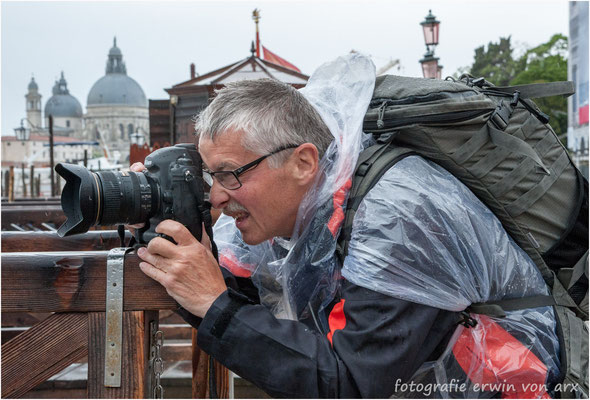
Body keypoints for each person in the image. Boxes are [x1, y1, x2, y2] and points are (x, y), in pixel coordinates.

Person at [134, 54, 560, 398]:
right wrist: (169, 240)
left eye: (230, 174)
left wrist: (213, 303)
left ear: (303, 163)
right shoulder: (316, 198)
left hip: (506, 380)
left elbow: (353, 385)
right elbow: (249, 295)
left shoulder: (396, 220)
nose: (217, 196)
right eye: (210, 178)